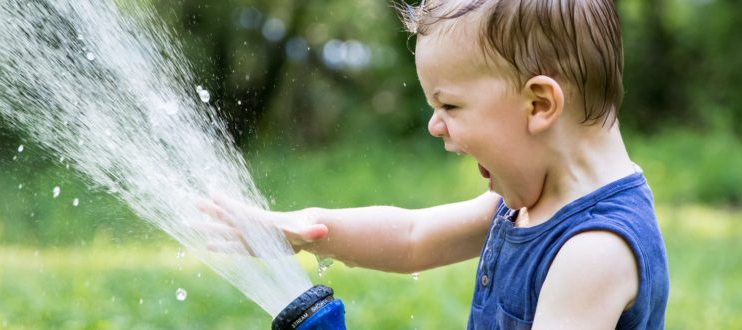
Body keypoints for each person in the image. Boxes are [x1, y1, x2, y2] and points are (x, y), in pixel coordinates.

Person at [201, 0, 669, 328]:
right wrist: (308, 229)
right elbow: (411, 238)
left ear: (539, 105)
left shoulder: (594, 251)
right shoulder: (530, 205)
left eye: (450, 106)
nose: (435, 125)